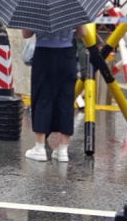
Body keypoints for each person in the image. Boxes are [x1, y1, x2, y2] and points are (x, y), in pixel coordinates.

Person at [21, 24, 87, 162]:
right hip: (67, 55)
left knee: (42, 98)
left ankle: (39, 148)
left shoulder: (36, 5)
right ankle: (63, 150)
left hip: (44, 54)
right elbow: (82, 32)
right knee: (66, 100)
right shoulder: (73, 5)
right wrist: (68, 35)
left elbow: (26, 34)